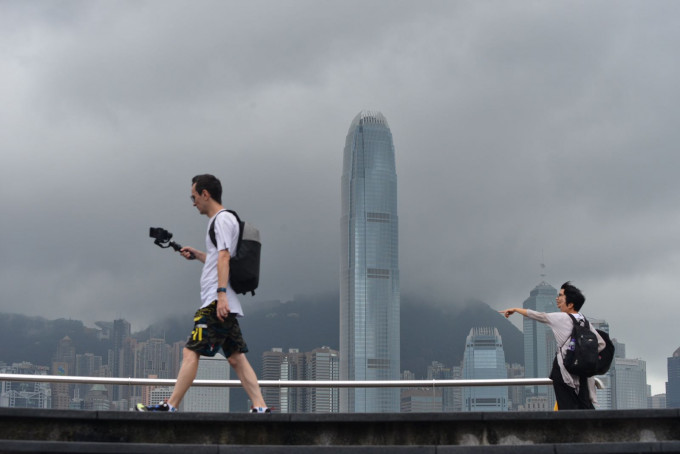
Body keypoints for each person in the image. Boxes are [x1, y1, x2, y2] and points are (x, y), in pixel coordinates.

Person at [137, 174, 269, 413]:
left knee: (190, 351)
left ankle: (171, 405)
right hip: (221, 300)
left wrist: (220, 295)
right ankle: (260, 407)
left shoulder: (221, 219)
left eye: (194, 196)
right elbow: (219, 258)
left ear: (205, 194)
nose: (193, 202)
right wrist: (198, 255)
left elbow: (225, 257)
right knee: (236, 358)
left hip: (215, 302)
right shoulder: (221, 221)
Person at [499, 281, 605, 410]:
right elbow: (601, 343)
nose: (557, 298)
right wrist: (582, 357)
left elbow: (538, 315)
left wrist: (515, 309)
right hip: (582, 374)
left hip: (564, 372)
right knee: (584, 408)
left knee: (568, 410)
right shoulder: (584, 321)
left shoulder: (561, 318)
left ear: (570, 304)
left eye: (560, 296)